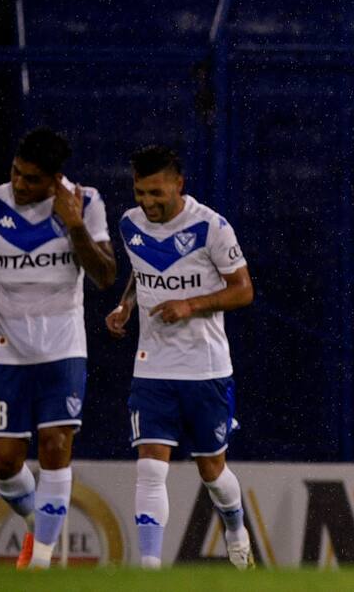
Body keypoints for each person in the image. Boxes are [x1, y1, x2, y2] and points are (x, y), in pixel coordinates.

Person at [0, 127, 116, 568]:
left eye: (32, 179)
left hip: (63, 348)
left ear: (54, 179)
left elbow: (105, 275)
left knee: (55, 444)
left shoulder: (86, 202)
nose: (20, 184)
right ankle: (35, 522)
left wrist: (75, 224)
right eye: (16, 173)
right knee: (4, 461)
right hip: (7, 350)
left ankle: (42, 560)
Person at [106, 145, 255, 570]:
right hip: (152, 366)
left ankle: (235, 529)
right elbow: (142, 269)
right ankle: (150, 571)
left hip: (205, 368)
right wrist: (126, 305)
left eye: (156, 193)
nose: (147, 202)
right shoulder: (129, 224)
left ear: (179, 185)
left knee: (213, 472)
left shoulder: (211, 227)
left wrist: (190, 305)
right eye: (140, 193)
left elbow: (243, 290)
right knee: (150, 468)